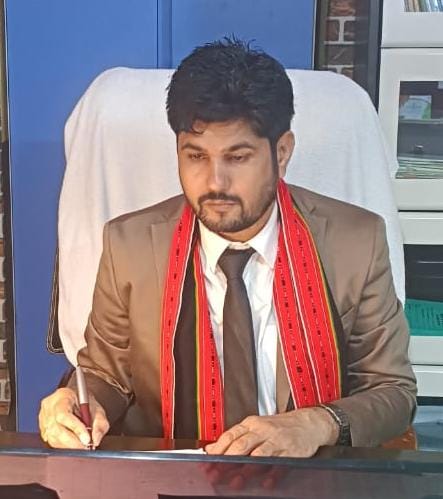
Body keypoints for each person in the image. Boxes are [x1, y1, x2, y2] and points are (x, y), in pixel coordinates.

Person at [39, 38, 416, 456]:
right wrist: (74, 403)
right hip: (172, 473)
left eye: (237, 158)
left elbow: (392, 390)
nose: (215, 183)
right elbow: (106, 376)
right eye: (196, 157)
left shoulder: (355, 242)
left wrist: (318, 423)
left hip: (308, 471)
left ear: (282, 152)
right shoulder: (129, 245)